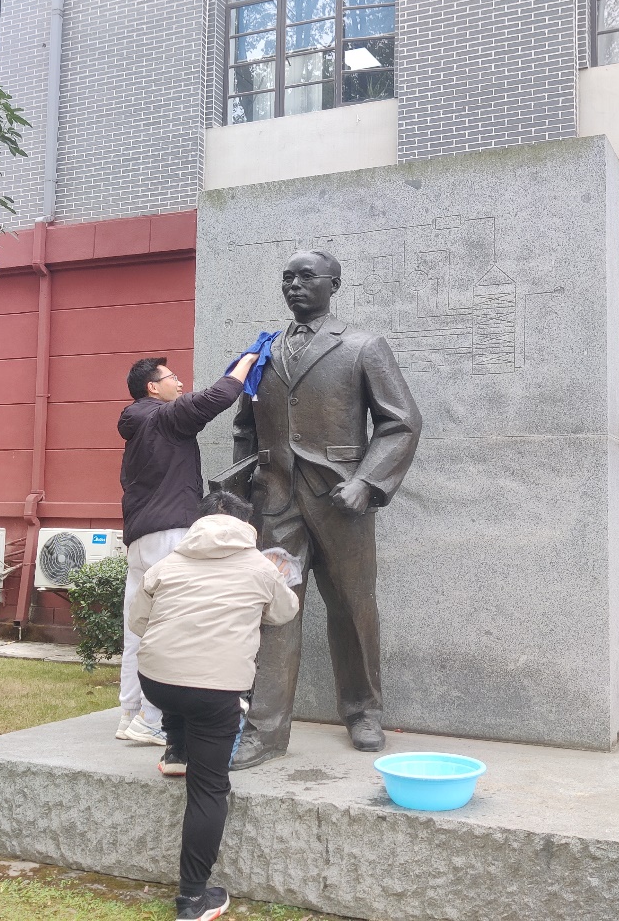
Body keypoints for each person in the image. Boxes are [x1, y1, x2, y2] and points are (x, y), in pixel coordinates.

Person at [230, 249, 421, 769]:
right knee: (274, 610)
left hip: (342, 503)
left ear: (333, 284)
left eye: (305, 276)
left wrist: (368, 482)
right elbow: (246, 428)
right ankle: (264, 730)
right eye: (286, 277)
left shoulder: (362, 346)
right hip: (275, 503)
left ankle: (364, 711)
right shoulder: (264, 351)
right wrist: (242, 495)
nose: (293, 285)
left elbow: (401, 421)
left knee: (353, 608)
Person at [128, 491, 298, 921]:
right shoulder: (261, 567)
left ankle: (176, 751)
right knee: (208, 789)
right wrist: (276, 583)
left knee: (178, 681)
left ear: (198, 522)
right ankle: (192, 898)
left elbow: (138, 622)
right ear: (246, 524)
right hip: (215, 691)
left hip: (157, 683)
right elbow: (285, 613)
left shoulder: (167, 564)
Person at [115, 353, 258, 745]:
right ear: (152, 387)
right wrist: (247, 360)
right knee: (172, 627)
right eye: (172, 378)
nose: (179, 383)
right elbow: (218, 397)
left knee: (138, 628)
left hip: (141, 539)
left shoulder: (137, 423)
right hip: (170, 534)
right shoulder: (163, 417)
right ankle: (152, 721)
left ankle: (130, 714)